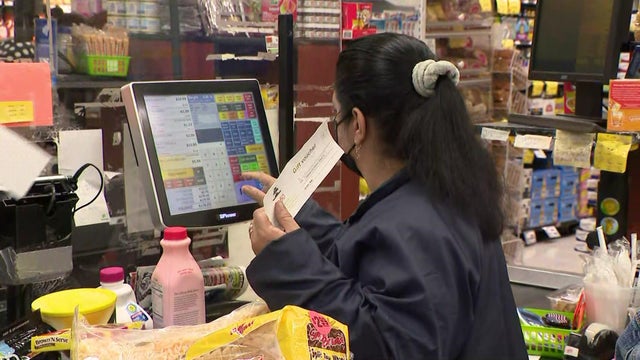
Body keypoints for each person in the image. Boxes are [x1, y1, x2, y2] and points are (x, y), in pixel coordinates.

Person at [241, 33, 527, 360]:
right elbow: (376, 263)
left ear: (358, 125)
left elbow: (384, 344)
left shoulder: (414, 224)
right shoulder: (445, 191)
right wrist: (301, 215)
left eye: (337, 115)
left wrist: (287, 263)